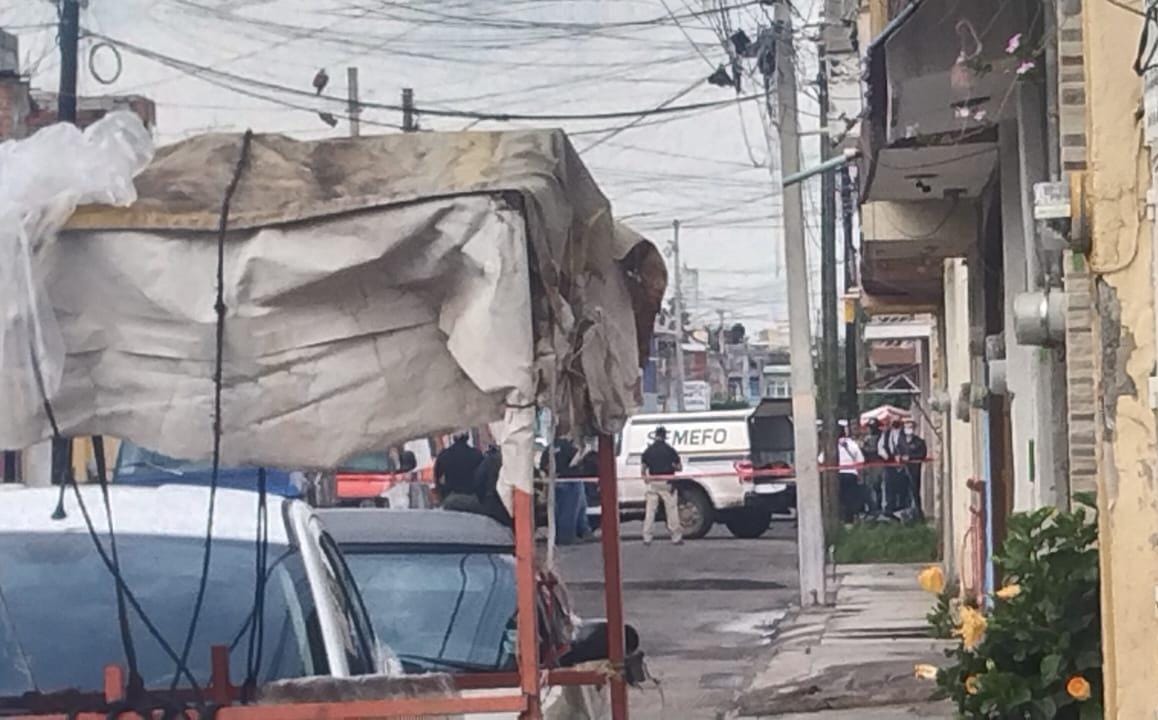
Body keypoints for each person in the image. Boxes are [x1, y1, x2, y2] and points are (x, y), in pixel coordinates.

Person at [640, 426, 683, 545]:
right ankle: (676, 537)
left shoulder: (648, 451)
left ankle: (647, 537)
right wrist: (672, 467)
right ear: (665, 436)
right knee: (671, 510)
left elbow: (643, 469)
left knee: (650, 511)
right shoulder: (670, 450)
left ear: (655, 435)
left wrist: (645, 478)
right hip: (667, 483)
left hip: (653, 482)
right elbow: (679, 467)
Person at [434, 432, 484, 504]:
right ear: (467, 437)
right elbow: (483, 477)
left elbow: (437, 478)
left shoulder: (444, 455)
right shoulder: (476, 454)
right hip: (472, 498)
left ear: (454, 438)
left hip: (451, 498)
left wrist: (443, 493)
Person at [903, 420, 928, 520]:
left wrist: (910, 457)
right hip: (902, 470)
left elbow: (922, 454)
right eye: (907, 427)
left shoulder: (919, 442)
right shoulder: (901, 441)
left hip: (914, 470)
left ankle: (917, 514)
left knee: (915, 491)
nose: (909, 429)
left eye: (910, 427)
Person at [860, 419, 883, 515]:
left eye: (871, 427)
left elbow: (875, 450)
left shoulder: (881, 437)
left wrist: (864, 448)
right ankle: (872, 507)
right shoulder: (867, 438)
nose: (869, 429)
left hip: (878, 463)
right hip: (869, 464)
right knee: (869, 486)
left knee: (877, 485)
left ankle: (878, 506)